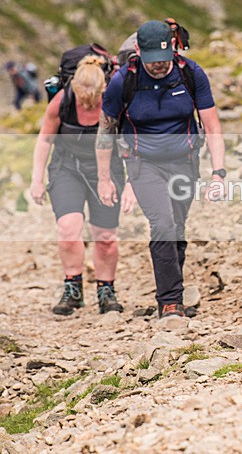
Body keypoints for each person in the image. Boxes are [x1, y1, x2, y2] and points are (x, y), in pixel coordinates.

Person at [96, 20, 226, 319]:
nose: (159, 65)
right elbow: (105, 132)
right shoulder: (123, 81)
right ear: (138, 50)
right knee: (163, 224)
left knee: (177, 226)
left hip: (185, 161)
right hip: (143, 163)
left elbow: (212, 126)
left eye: (164, 58)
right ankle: (170, 302)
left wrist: (218, 173)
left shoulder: (190, 73)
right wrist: (105, 179)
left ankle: (173, 292)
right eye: (152, 59)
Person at [30, 56, 135, 315]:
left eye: (93, 98)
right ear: (74, 88)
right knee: (68, 228)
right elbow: (45, 140)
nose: (87, 103)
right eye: (82, 97)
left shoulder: (114, 102)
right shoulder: (61, 101)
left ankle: (106, 290)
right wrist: (36, 179)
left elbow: (130, 144)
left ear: (103, 89)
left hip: (107, 170)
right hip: (67, 168)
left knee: (106, 237)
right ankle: (73, 288)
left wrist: (131, 182)